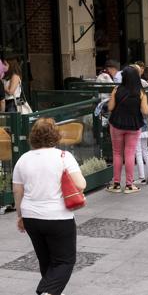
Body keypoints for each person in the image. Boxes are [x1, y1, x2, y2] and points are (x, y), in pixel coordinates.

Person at [12, 118, 87, 295]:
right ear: (56, 135)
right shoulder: (63, 157)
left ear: (33, 136)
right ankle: (46, 292)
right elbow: (81, 184)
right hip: (58, 216)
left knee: (46, 261)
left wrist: (20, 216)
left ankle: (49, 291)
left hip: (31, 216)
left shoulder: (23, 160)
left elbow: (17, 192)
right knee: (65, 261)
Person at [106, 66, 148, 193]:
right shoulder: (140, 92)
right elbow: (145, 111)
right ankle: (129, 185)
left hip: (116, 124)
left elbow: (110, 107)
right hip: (134, 125)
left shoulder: (117, 89)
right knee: (130, 153)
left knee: (117, 153)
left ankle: (116, 184)